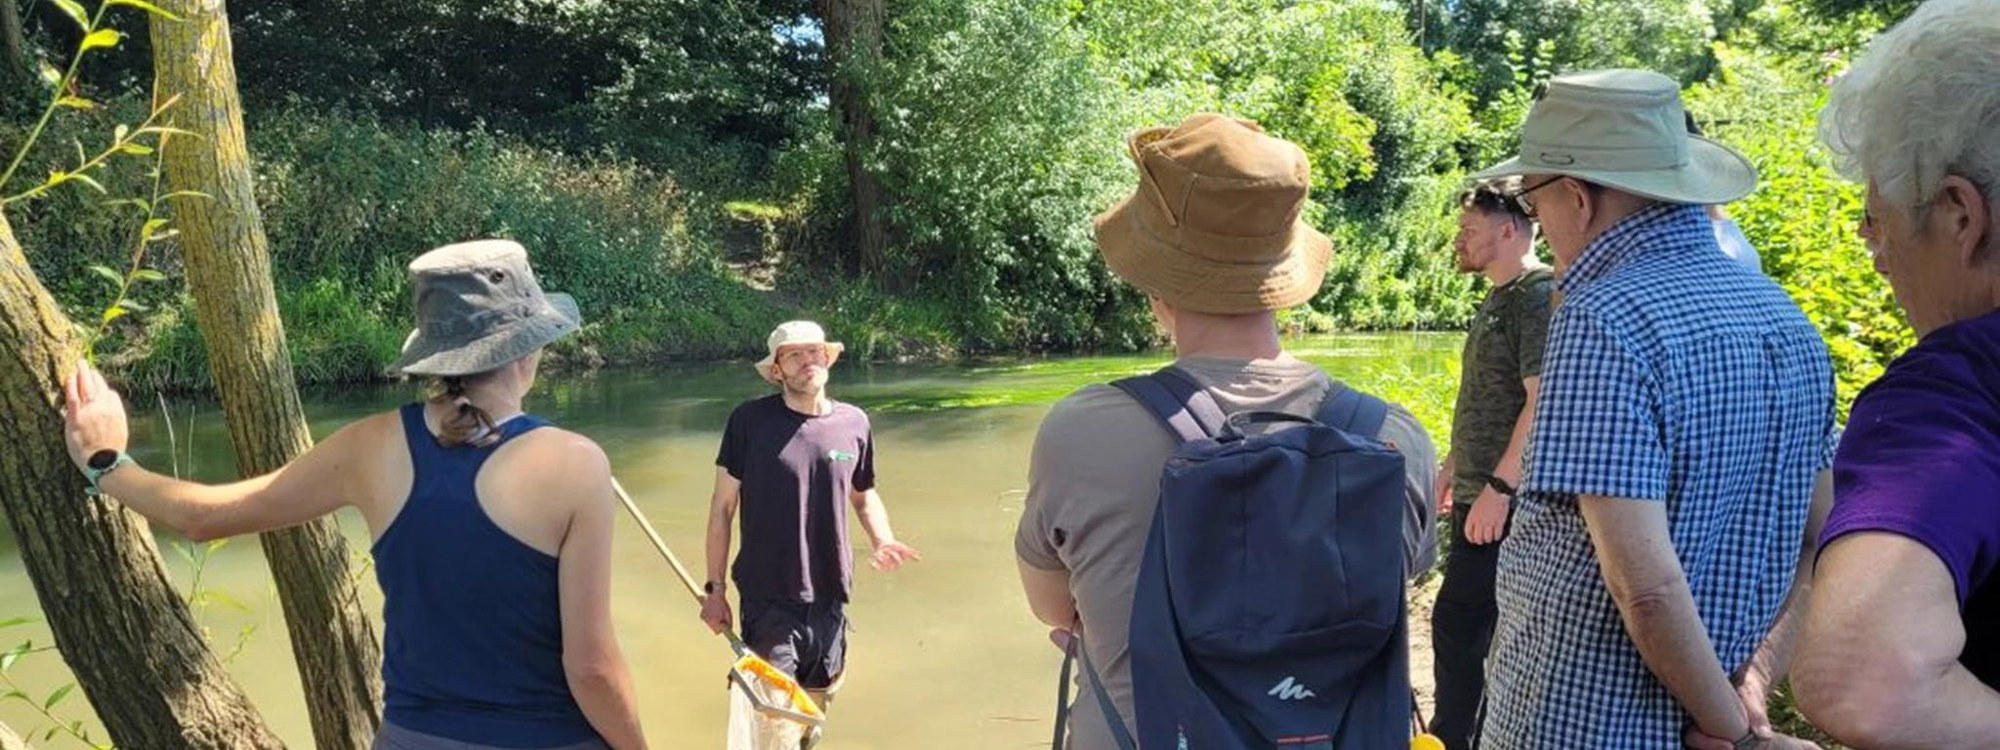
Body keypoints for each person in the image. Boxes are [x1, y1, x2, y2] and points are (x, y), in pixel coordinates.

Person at [61, 239, 647, 750]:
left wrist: (105, 459)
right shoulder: (576, 465)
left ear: (434, 357)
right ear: (527, 349)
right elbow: (591, 668)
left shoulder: (372, 447)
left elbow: (202, 517)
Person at [1014, 113, 1438, 749]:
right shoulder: (1395, 438)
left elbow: (1053, 606)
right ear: (1283, 284)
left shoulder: (1080, 431)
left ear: (1158, 289)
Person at [1469, 70, 1837, 749]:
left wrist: (1734, 732)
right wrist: (1748, 691)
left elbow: (1644, 586)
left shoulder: (1604, 319)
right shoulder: (1788, 320)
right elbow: (1820, 539)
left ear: (1576, 198)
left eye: (1533, 195)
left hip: (1582, 725)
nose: (1537, 224)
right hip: (1717, 709)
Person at [1788, 0, 2000, 745]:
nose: (1875, 257)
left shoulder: (1953, 392)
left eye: (1877, 221)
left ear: (1958, 216)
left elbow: (1865, 682)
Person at [699, 320, 921, 713]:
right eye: (794, 355)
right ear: (777, 370)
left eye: (814, 352)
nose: (807, 361)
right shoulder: (749, 422)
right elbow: (722, 508)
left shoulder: (854, 423)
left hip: (831, 596)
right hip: (769, 600)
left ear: (828, 359)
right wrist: (715, 590)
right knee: (771, 716)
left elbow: (863, 495)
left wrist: (883, 539)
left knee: (814, 712)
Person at [1430, 179, 1552, 750]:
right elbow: (1488, 395)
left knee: (1461, 623)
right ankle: (1468, 733)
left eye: (1470, 230)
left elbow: (1541, 396)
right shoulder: (1499, 296)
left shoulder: (1536, 293)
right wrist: (1457, 463)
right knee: (1468, 624)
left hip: (1509, 499)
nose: (1460, 240)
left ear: (1508, 231)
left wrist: (1503, 486)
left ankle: (1457, 737)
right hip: (1480, 489)